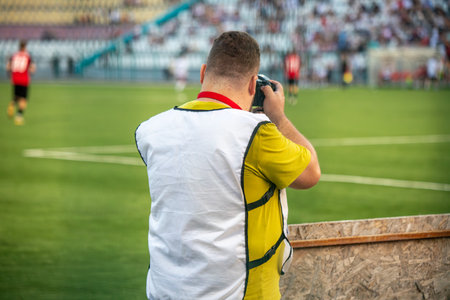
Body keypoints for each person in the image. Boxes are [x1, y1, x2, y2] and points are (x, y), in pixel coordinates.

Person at [135, 31, 320, 300]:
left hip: (165, 291)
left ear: (202, 73)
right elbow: (311, 173)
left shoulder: (150, 130)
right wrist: (277, 116)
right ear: (253, 84)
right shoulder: (256, 132)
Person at [6, 40, 36, 125]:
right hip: (24, 79)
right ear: (25, 47)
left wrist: (10, 76)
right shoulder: (27, 56)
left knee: (17, 95)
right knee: (23, 99)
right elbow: (33, 68)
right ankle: (19, 116)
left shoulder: (14, 55)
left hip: (15, 79)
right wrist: (30, 71)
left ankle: (12, 103)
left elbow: (8, 67)